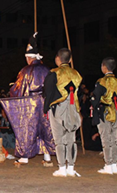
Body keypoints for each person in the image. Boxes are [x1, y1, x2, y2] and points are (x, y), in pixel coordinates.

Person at [0, 32, 55, 166]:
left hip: (31, 104)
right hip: (46, 102)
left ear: (29, 58)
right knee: (45, 129)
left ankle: (24, 157)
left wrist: (12, 88)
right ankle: (47, 157)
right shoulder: (47, 69)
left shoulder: (26, 70)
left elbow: (18, 89)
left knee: (27, 129)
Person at [43, 48, 82, 177]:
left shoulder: (54, 73)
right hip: (72, 106)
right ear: (70, 60)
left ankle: (61, 167)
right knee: (70, 138)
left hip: (58, 108)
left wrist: (45, 108)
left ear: (57, 59)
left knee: (59, 139)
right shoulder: (76, 74)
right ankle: (71, 167)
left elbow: (47, 92)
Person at [90, 57, 117, 175]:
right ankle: (114, 164)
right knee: (114, 139)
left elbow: (95, 97)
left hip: (105, 112)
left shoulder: (102, 81)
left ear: (104, 67)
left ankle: (108, 164)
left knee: (106, 139)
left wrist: (93, 105)